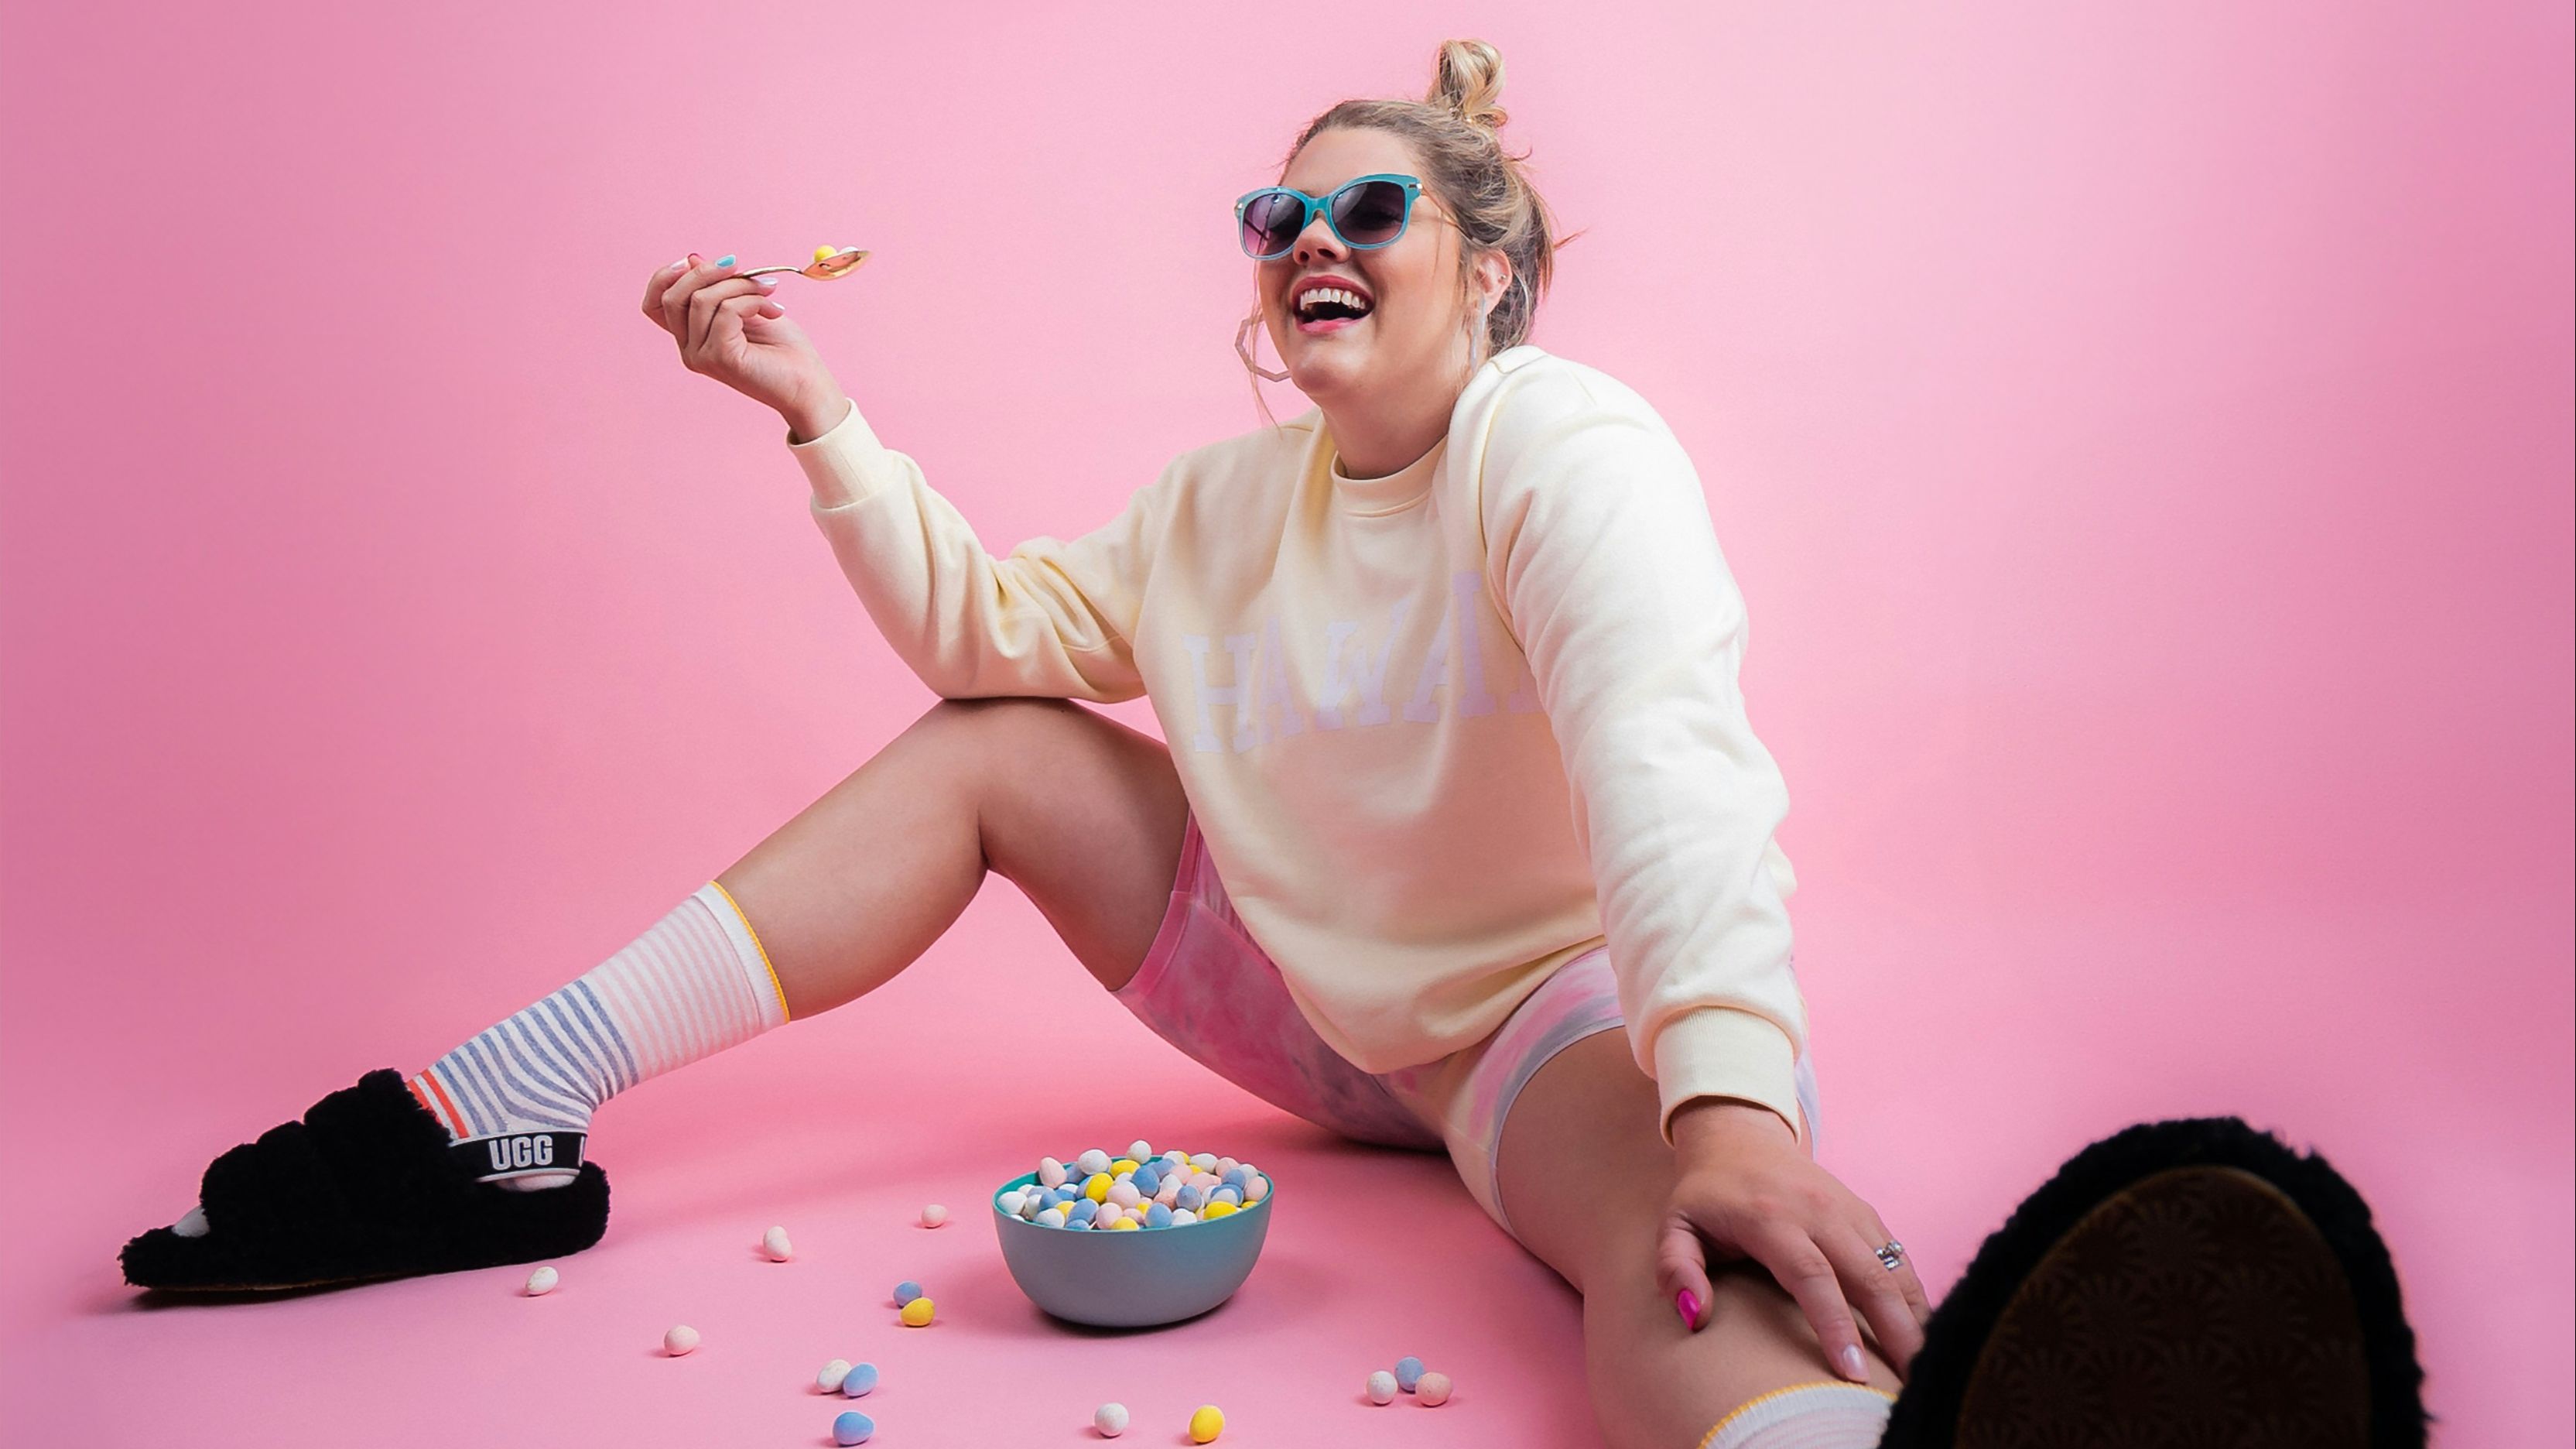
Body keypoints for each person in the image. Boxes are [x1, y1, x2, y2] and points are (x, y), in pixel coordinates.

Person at [121, 39, 2429, 1449]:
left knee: (1677, 1264)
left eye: (1366, 207)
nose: (1308, 237)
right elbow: (995, 632)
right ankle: (500, 1116)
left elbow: (1670, 753)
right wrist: (816, 412)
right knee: (992, 740)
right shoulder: (1219, 508)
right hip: (1309, 1007)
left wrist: (1727, 1106)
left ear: (1489, 268)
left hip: (1528, 1027)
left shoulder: (1563, 446)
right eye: (1275, 215)